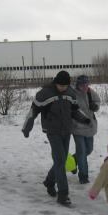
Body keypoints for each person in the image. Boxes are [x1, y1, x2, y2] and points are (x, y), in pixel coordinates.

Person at [22, 70, 91, 205]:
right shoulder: (44, 93)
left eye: (65, 86)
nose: (63, 88)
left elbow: (75, 110)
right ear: (56, 82)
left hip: (66, 131)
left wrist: (85, 119)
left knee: (62, 160)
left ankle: (49, 181)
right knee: (60, 162)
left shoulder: (69, 92)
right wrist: (26, 128)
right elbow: (33, 112)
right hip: (52, 131)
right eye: (60, 86)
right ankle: (63, 194)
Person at [71, 75, 101, 184]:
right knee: (82, 151)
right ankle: (83, 176)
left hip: (89, 126)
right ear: (78, 85)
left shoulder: (90, 92)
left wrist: (95, 106)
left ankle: (73, 160)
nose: (84, 87)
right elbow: (70, 109)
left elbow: (97, 101)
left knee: (88, 150)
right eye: (82, 85)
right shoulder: (73, 94)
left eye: (86, 85)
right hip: (77, 127)